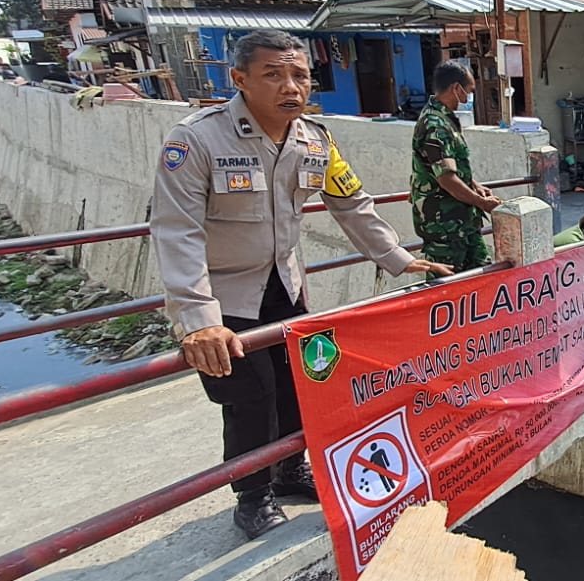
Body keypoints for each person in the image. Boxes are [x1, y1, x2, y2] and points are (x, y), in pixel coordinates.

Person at [151, 30, 451, 540]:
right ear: (240, 80)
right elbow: (176, 231)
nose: (291, 86)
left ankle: (290, 472)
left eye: (300, 75)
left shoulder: (315, 138)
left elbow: (351, 203)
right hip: (223, 296)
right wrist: (199, 322)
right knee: (250, 397)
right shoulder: (197, 139)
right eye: (273, 75)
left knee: (297, 387)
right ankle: (252, 496)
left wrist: (398, 258)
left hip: (286, 286)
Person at [411, 60, 500, 278]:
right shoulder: (435, 124)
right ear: (455, 88)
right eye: (468, 90)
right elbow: (446, 179)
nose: (469, 96)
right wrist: (482, 203)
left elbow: (453, 168)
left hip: (463, 222)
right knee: (446, 289)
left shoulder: (445, 119)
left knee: (483, 277)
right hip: (444, 226)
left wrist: (475, 186)